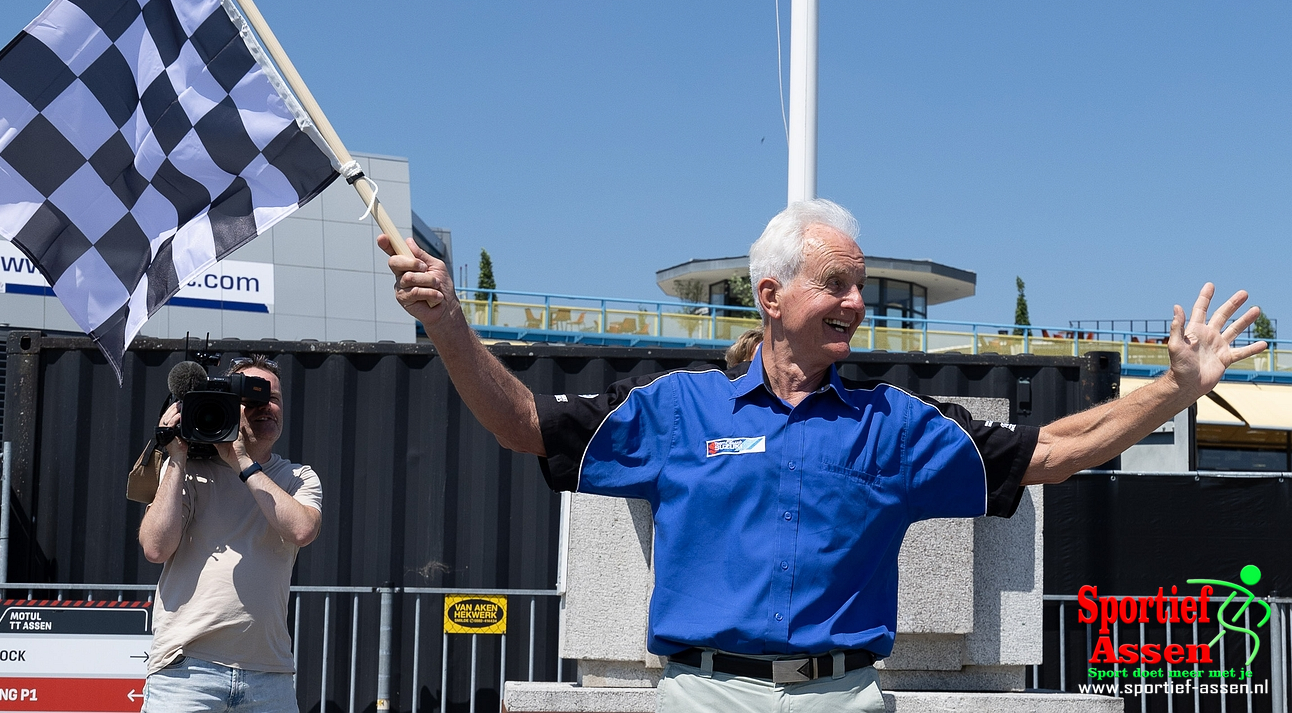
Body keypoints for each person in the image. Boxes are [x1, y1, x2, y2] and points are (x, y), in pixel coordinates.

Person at [379, 199, 1264, 712]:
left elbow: (1053, 453)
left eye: (861, 286)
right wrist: (448, 321)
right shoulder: (676, 409)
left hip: (843, 698)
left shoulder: (897, 426)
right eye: (835, 283)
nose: (856, 303)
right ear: (771, 295)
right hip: (703, 696)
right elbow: (524, 422)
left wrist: (1173, 389)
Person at [138, 354, 322, 713]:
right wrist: (176, 456)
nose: (265, 407)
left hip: (269, 675)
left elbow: (302, 530)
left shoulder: (298, 477)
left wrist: (241, 461)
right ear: (226, 406)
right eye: (252, 400)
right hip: (186, 671)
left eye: (273, 398)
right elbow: (156, 548)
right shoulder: (190, 472)